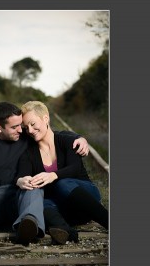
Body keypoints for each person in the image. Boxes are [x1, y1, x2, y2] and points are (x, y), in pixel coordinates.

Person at [0, 102, 89, 246]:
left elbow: (53, 134)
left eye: (21, 125)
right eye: (15, 127)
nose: (21, 130)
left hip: (24, 199)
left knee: (34, 186)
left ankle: (27, 226)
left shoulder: (26, 136)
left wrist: (79, 137)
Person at [14, 101, 108, 244]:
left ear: (45, 118)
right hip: (65, 212)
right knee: (41, 202)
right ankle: (66, 232)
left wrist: (53, 175)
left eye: (33, 124)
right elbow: (21, 174)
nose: (30, 130)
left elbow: (75, 168)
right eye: (26, 127)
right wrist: (21, 181)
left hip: (86, 200)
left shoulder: (67, 140)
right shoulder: (29, 152)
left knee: (62, 183)